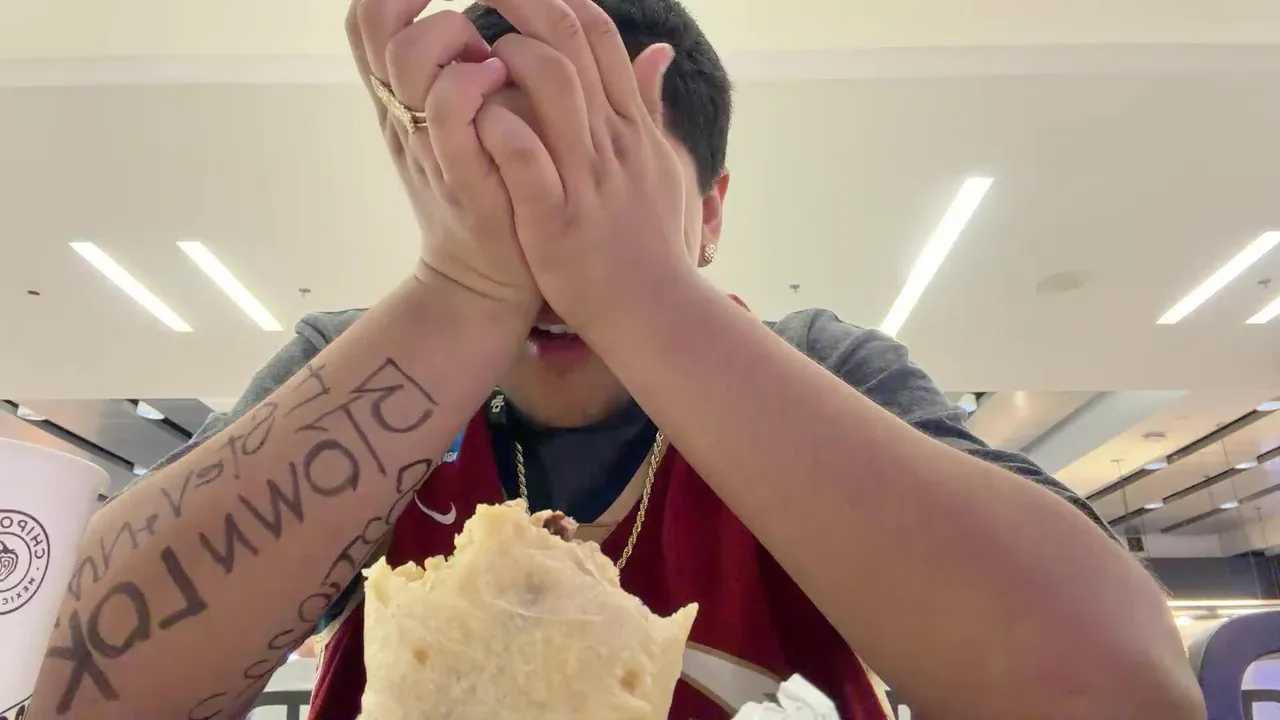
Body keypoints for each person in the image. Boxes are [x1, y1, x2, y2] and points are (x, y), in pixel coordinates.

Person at [30, 0, 1203, 717]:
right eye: (505, 191)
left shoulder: (817, 369)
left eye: (603, 193)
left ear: (708, 211)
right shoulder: (359, 372)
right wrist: (459, 295)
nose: (552, 262)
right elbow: (76, 687)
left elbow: (1118, 691)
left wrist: (641, 293)